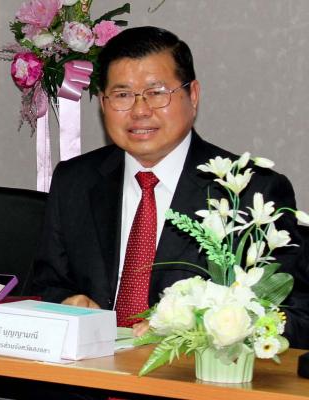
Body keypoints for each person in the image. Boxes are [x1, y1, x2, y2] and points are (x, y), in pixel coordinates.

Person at [32, 26, 309, 349]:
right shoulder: (74, 181)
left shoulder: (248, 190)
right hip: (88, 372)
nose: (140, 111)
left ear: (193, 95)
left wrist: (199, 329)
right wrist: (67, 302)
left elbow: (294, 316)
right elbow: (46, 285)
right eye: (122, 95)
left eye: (157, 92)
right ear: (103, 104)